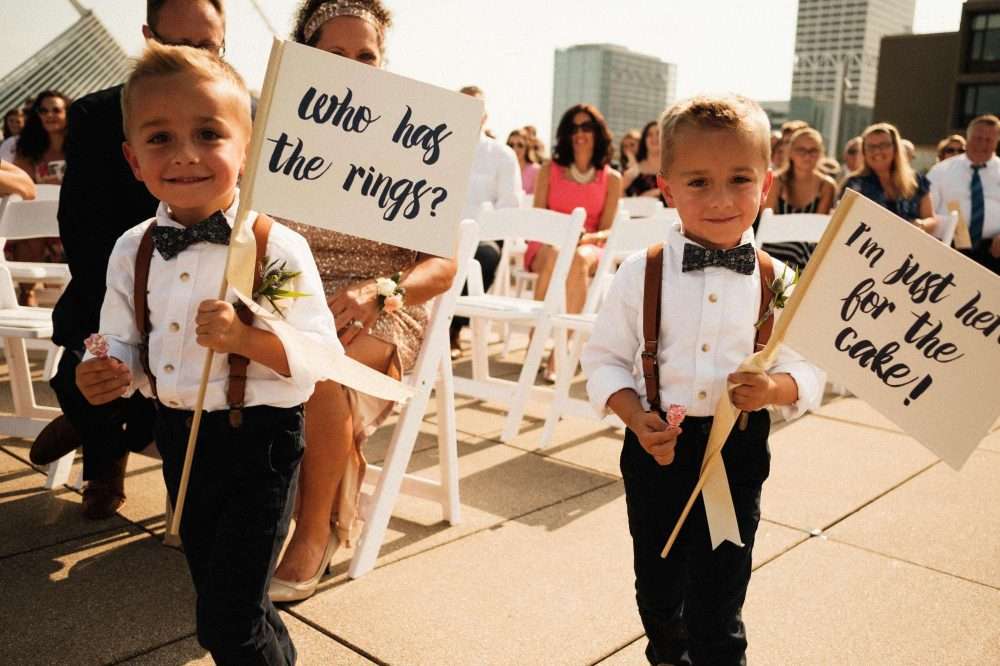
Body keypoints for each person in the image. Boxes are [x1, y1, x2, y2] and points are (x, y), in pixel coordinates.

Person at [76, 41, 338, 665]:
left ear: (247, 149)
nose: (185, 154)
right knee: (228, 592)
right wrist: (106, 368)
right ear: (132, 159)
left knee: (225, 623)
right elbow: (118, 334)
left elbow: (317, 358)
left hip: (260, 442)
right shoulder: (133, 248)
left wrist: (246, 340)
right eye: (160, 138)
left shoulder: (276, 248)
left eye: (208, 133)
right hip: (181, 437)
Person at [581, 94, 824, 665]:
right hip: (657, 448)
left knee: (720, 596)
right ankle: (667, 650)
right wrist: (633, 415)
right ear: (667, 187)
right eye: (698, 182)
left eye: (739, 179)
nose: (720, 200)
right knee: (658, 585)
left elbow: (810, 368)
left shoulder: (779, 280)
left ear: (766, 184)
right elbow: (603, 360)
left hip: (735, 452)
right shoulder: (640, 273)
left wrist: (775, 390)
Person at [268, 0, 458, 603]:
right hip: (290, 292)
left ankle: (315, 528)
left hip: (382, 306)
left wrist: (384, 290)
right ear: (308, 57)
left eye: (365, 56)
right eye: (336, 54)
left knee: (319, 365)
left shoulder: (414, 139)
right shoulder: (279, 129)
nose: (352, 66)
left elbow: (443, 265)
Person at [29, 0, 227, 520]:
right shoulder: (97, 114)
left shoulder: (241, 114)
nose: (192, 59)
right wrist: (135, 296)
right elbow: (81, 227)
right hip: (116, 276)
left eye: (207, 46)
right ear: (148, 37)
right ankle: (103, 453)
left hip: (208, 287)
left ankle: (93, 423)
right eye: (177, 45)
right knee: (91, 351)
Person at [530, 103, 621, 380]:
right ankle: (536, 340)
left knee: (577, 257)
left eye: (586, 127)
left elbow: (608, 230)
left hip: (589, 245)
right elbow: (537, 217)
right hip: (548, 243)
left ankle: (560, 351)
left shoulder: (612, 179)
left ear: (597, 132)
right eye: (573, 128)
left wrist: (585, 237)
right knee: (558, 252)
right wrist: (564, 235)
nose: (579, 133)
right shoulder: (549, 169)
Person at [446, 86, 519, 355]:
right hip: (440, 232)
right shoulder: (439, 146)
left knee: (485, 255)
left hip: (481, 235)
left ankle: (452, 329)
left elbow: (509, 206)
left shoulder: (502, 155)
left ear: (485, 116)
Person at [928, 114, 1000, 274]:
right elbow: (926, 212)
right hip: (950, 247)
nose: (982, 143)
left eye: (989, 140)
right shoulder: (941, 171)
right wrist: (951, 227)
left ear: (997, 141)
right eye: (978, 138)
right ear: (968, 137)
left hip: (994, 252)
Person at [762, 127, 837, 269]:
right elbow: (767, 225)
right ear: (790, 152)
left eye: (813, 151)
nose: (807, 155)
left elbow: (816, 232)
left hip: (806, 257)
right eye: (801, 150)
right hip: (774, 255)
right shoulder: (776, 181)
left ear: (821, 153)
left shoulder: (827, 186)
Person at [842, 122, 936, 233]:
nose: (877, 151)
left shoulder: (917, 181)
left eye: (883, 145)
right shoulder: (853, 183)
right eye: (871, 147)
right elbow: (842, 221)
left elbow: (931, 219)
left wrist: (920, 224)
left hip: (908, 241)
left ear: (895, 148)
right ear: (864, 152)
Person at [13, 91, 70, 185]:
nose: (49, 115)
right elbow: (21, 185)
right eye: (43, 111)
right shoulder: (28, 150)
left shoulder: (83, 146)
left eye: (56, 110)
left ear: (67, 114)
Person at [623, 120, 666, 204]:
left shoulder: (674, 168)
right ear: (644, 140)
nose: (654, 138)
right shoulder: (632, 171)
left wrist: (658, 192)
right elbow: (619, 198)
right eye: (649, 135)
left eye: (658, 133)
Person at [507, 128, 541, 194]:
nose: (515, 149)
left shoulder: (537, 170)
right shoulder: (503, 169)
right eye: (511, 145)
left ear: (527, 147)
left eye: (520, 145)